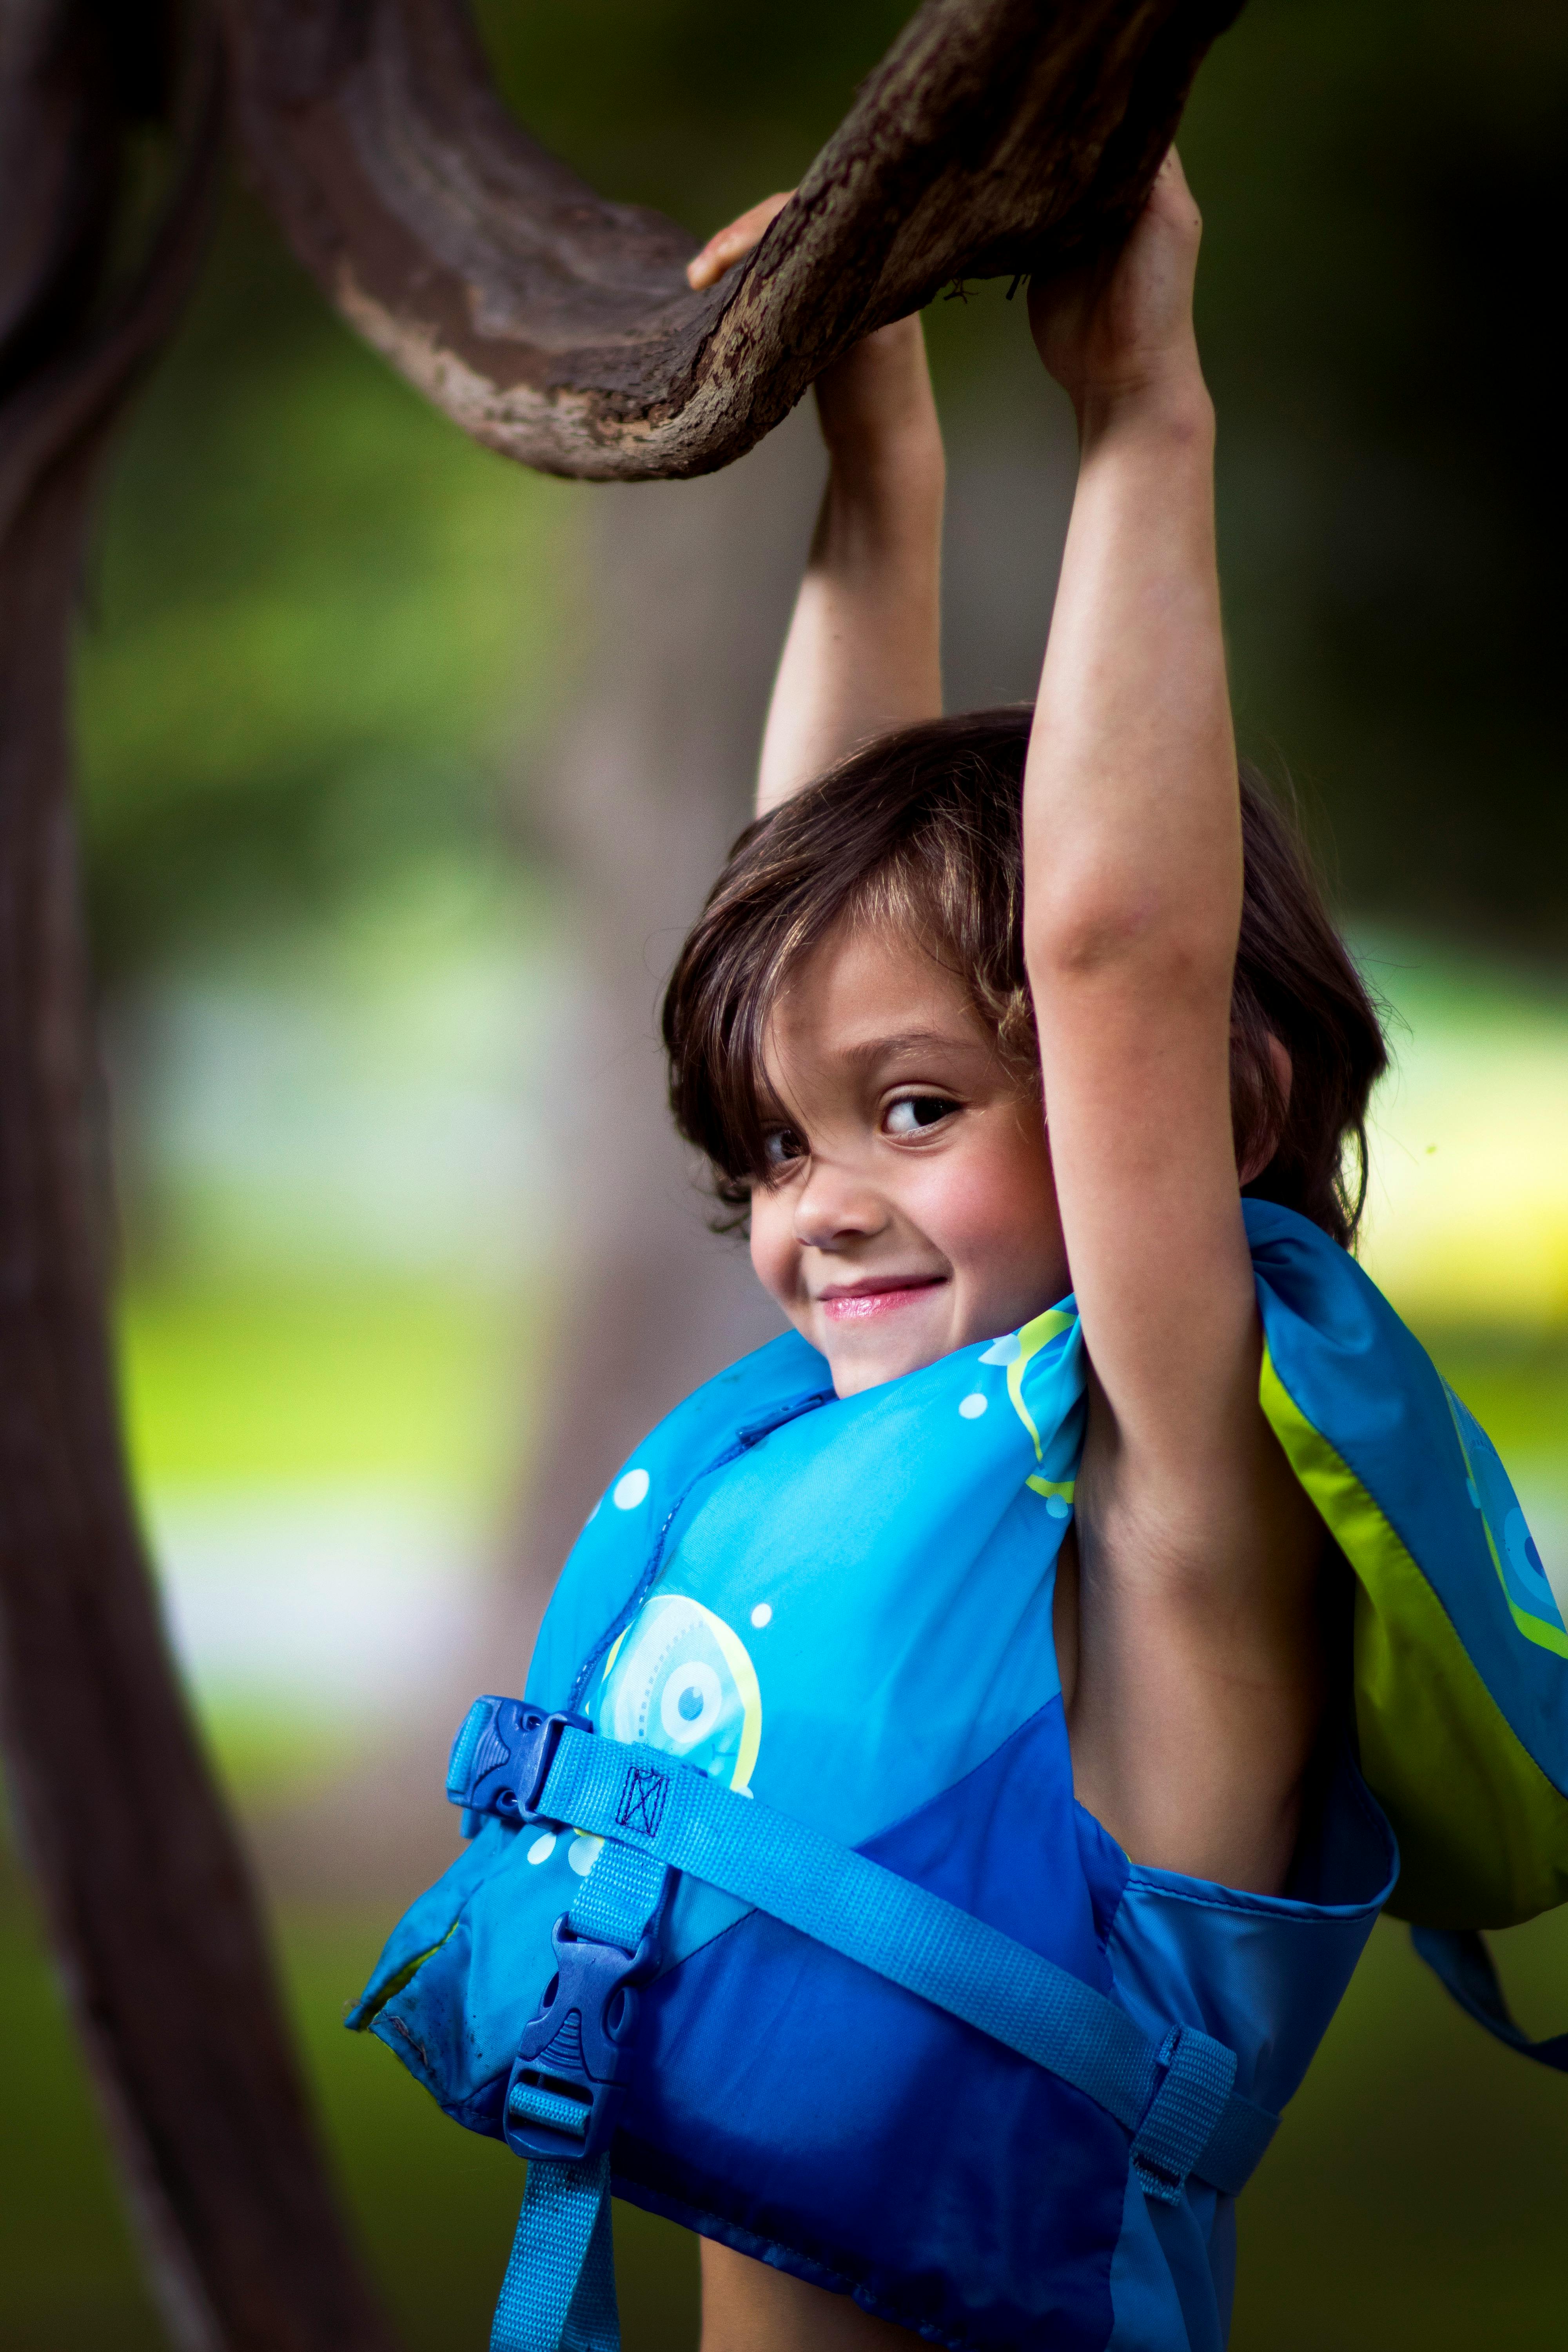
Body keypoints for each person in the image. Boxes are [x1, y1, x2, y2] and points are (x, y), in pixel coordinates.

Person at [354, 156, 1564, 2352]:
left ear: (1217, 1115)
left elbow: (1112, 954)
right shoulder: (909, 1459)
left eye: (917, 1117)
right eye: (777, 1157)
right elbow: (814, 943)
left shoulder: (1171, 1505)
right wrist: (874, 456)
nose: (819, 1205)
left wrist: (1141, 414)